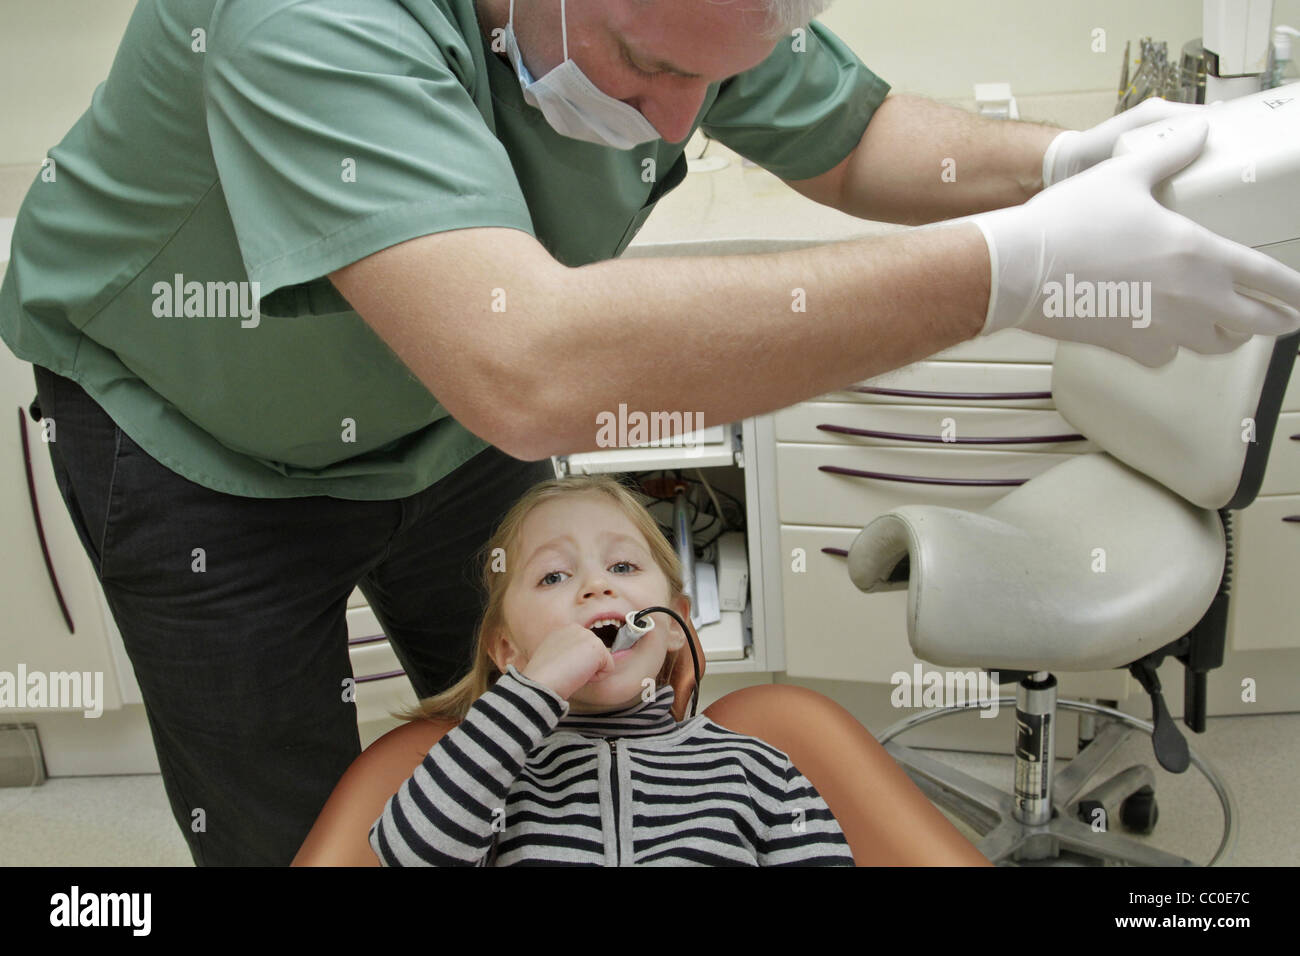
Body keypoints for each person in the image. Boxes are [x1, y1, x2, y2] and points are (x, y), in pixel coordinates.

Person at [2, 0, 1298, 866]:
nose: (684, 124)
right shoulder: (310, 20)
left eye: (718, 73)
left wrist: (1059, 162)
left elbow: (856, 137)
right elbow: (527, 362)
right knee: (288, 830)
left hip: (450, 429)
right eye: (653, 66)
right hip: (193, 442)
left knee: (596, 728)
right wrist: (1011, 272)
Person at [368, 473, 855, 865]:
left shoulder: (756, 770)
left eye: (623, 566)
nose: (596, 584)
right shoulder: (495, 783)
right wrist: (533, 689)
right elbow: (409, 853)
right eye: (553, 576)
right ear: (508, 650)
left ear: (674, 624)